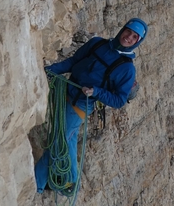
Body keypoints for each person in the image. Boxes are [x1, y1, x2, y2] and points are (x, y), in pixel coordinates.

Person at [35, 18, 148, 193]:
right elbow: (73, 62)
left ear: (137, 42)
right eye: (128, 32)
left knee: (58, 142)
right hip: (66, 93)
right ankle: (70, 181)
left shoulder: (127, 69)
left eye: (134, 37)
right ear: (122, 29)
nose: (129, 38)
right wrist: (51, 70)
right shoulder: (97, 44)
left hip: (80, 105)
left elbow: (118, 100)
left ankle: (37, 184)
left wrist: (96, 92)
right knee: (68, 140)